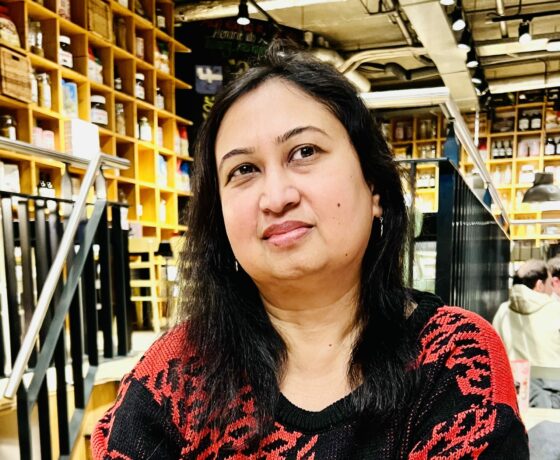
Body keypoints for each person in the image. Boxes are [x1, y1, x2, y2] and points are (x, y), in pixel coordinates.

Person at [92, 43, 528, 459]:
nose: (276, 197)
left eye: (304, 151)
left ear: (374, 188)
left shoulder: (453, 356)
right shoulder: (174, 372)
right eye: (244, 170)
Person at [492, 259, 560, 367]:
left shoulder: (503, 311)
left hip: (513, 376)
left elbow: (494, 349)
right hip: (553, 376)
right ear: (539, 285)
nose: (552, 289)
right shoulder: (556, 310)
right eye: (550, 283)